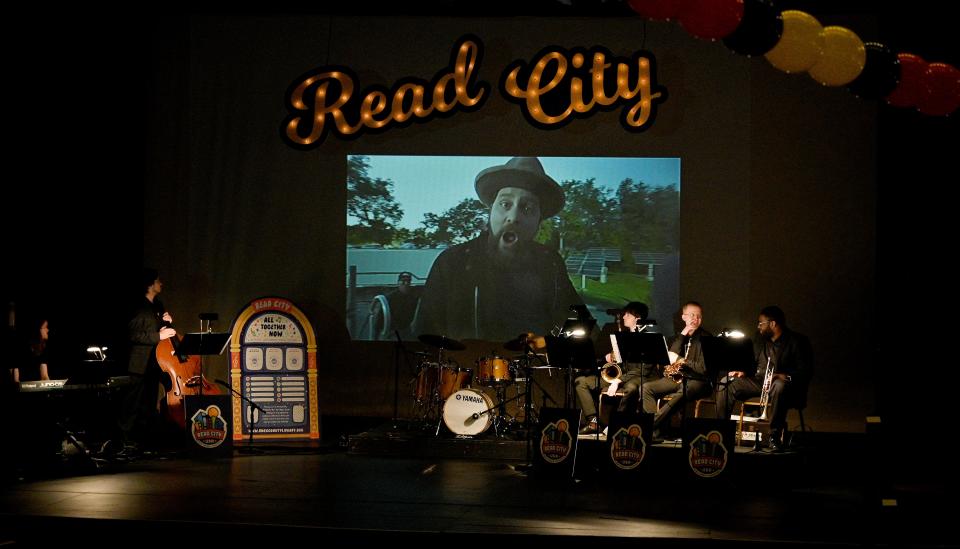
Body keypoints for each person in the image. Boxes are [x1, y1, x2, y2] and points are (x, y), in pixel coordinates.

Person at [415, 157, 582, 342]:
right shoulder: (452, 262)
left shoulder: (550, 263)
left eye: (528, 208)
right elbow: (423, 339)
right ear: (490, 210)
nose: (513, 217)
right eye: (505, 204)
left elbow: (578, 326)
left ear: (538, 222)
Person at [715, 305, 813, 451]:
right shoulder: (759, 339)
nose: (758, 326)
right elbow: (752, 364)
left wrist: (783, 376)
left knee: (779, 385)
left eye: (761, 323)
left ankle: (774, 436)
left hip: (784, 386)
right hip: (759, 382)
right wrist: (743, 372)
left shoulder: (797, 341)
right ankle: (721, 432)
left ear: (773, 324)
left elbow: (806, 371)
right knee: (726, 382)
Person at [575, 301, 661, 434]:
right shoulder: (624, 337)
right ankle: (593, 422)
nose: (623, 317)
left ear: (637, 318)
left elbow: (643, 369)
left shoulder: (648, 338)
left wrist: (618, 380)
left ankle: (617, 424)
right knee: (581, 382)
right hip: (623, 375)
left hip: (643, 377)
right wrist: (611, 356)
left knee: (631, 388)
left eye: (627, 314)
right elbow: (622, 363)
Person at [118, 268, 177, 454]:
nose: (161, 284)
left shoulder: (158, 305)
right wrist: (158, 335)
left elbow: (161, 333)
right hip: (138, 364)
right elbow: (133, 335)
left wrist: (167, 323)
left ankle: (144, 442)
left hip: (155, 363)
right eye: (158, 281)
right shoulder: (137, 306)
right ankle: (125, 442)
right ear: (150, 284)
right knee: (131, 405)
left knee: (149, 405)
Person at [641, 301, 713, 440]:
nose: (695, 319)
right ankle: (656, 432)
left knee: (684, 390)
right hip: (678, 378)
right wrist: (684, 333)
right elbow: (671, 356)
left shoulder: (707, 338)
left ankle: (651, 425)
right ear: (683, 317)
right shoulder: (678, 337)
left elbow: (703, 369)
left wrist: (682, 361)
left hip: (698, 381)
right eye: (692, 315)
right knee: (646, 388)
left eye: (699, 316)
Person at [379, 271, 421, 340]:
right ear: (398, 282)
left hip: (408, 330)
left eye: (408, 281)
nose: (406, 283)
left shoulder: (414, 298)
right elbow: (380, 320)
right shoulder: (389, 298)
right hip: (392, 332)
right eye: (403, 281)